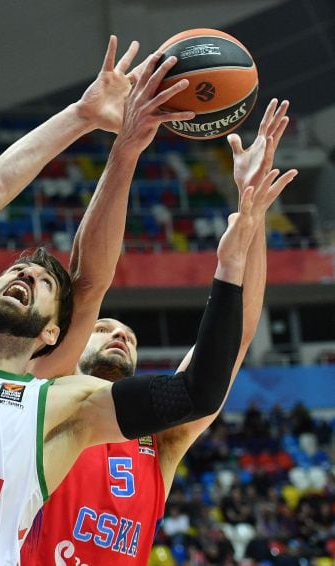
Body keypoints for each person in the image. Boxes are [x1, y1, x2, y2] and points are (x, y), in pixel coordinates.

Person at [0, 36, 280, 564]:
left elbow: (204, 381)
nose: (26, 276)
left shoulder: (59, 407)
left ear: (53, 333)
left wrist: (240, 247)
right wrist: (81, 116)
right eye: (18, 271)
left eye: (42, 283)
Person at [20, 98, 296, 565]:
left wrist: (252, 214)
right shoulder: (43, 397)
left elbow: (233, 341)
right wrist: (124, 149)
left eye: (127, 333)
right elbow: (86, 282)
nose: (119, 334)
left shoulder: (160, 439)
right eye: (103, 327)